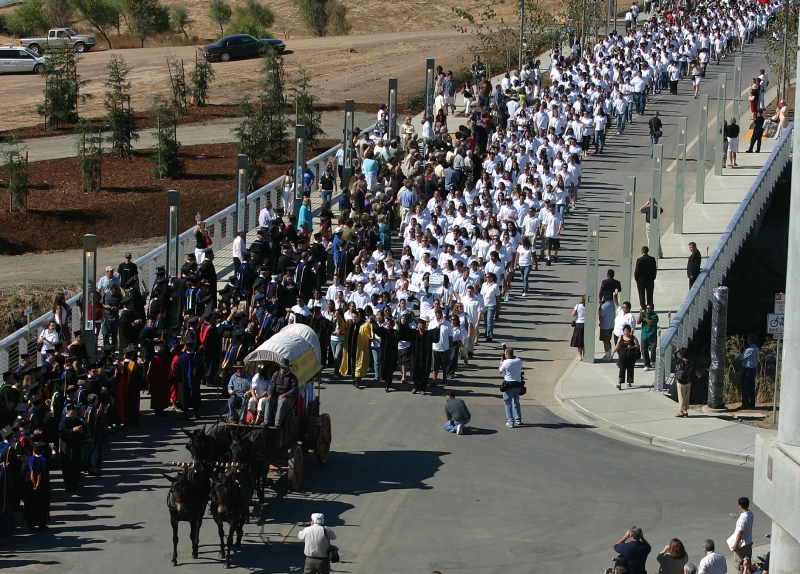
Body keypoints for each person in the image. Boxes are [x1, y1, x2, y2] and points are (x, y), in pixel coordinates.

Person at [265, 357, 298, 428]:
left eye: (285, 368)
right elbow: (271, 385)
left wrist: (284, 395)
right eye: (282, 367)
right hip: (275, 394)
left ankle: (277, 423)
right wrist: (270, 394)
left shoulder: (292, 377)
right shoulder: (276, 374)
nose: (283, 369)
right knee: (268, 400)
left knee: (281, 402)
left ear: (288, 368)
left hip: (286, 396)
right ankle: (266, 422)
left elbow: (294, 389)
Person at [499, 346, 523, 427]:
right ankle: (518, 418)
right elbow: (515, 360)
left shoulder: (506, 362)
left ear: (508, 355)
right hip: (518, 385)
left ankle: (510, 421)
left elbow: (500, 371)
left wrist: (501, 362)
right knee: (516, 402)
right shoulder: (519, 360)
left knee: (508, 403)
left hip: (508, 384)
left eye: (506, 354)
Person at [612, 324, 639, 390]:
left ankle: (629, 382)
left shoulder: (633, 338)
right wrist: (613, 353)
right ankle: (619, 383)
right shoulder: (621, 337)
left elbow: (637, 346)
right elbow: (617, 346)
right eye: (625, 331)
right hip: (622, 357)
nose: (626, 332)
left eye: (627, 331)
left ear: (630, 331)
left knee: (630, 369)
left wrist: (632, 347)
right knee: (622, 369)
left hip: (631, 357)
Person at [730, 496, 754, 572]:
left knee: (741, 565)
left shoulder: (742, 518)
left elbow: (740, 532)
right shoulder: (750, 514)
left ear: (740, 505)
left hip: (742, 545)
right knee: (747, 564)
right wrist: (738, 517)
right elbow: (745, 523)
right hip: (748, 542)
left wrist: (735, 545)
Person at [738, 335, 759, 409]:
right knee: (751, 387)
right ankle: (752, 404)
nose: (747, 341)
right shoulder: (756, 348)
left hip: (747, 369)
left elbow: (741, 357)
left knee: (745, 386)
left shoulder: (749, 349)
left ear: (751, 340)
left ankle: (745, 404)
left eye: (748, 339)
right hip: (753, 369)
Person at [634, 246, 657, 310]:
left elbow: (637, 270)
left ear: (642, 251)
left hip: (641, 281)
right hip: (650, 280)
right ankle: (650, 307)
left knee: (641, 294)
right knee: (650, 294)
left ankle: (643, 307)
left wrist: (636, 278)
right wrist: (653, 277)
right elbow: (654, 269)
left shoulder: (639, 260)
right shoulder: (652, 259)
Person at [674, 347, 693, 417]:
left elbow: (673, 357)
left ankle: (681, 411)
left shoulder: (680, 362)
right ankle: (685, 410)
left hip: (681, 381)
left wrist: (677, 351)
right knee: (686, 396)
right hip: (688, 381)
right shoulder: (690, 362)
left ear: (681, 355)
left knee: (681, 397)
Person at [639, 304, 658, 371]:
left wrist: (644, 317)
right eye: (647, 308)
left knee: (653, 350)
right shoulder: (644, 315)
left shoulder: (655, 316)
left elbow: (651, 323)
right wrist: (640, 314)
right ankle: (646, 364)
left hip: (652, 335)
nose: (648, 310)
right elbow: (638, 322)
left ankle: (653, 360)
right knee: (644, 351)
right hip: (644, 336)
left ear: (652, 309)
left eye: (649, 308)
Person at [599, 291, 616, 362]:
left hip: (605, 325)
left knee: (605, 341)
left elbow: (601, 317)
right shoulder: (612, 303)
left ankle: (607, 355)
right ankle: (609, 354)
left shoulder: (604, 306)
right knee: (608, 340)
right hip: (611, 324)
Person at [570, 295, 586, 361]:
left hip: (579, 324)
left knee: (579, 341)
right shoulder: (589, 306)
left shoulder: (578, 305)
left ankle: (580, 356)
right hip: (586, 324)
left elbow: (573, 314)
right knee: (585, 340)